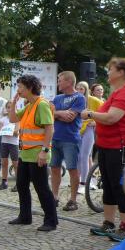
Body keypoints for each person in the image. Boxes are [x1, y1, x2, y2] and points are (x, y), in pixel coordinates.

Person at [81, 58, 125, 242]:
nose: (108, 72)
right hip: (108, 145)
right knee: (108, 184)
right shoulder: (117, 92)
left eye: (110, 69)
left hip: (120, 146)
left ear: (121, 72)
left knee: (119, 186)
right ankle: (108, 223)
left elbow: (112, 118)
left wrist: (90, 114)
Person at [7, 74, 58, 231]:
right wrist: (14, 103)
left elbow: (49, 129)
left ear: (29, 88)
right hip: (26, 153)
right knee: (21, 185)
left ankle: (51, 221)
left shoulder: (41, 104)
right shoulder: (30, 105)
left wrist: (44, 151)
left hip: (38, 154)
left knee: (41, 188)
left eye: (20, 87)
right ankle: (25, 216)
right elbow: (13, 119)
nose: (18, 89)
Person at [50, 71, 85, 211]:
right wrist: (60, 113)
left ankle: (73, 200)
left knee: (72, 169)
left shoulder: (79, 97)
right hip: (55, 137)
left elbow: (70, 117)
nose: (58, 83)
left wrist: (56, 114)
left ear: (69, 82)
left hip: (71, 139)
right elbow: (49, 114)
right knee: (54, 168)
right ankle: (54, 197)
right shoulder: (57, 97)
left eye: (60, 80)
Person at [76, 80, 103, 193]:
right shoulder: (74, 99)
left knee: (84, 156)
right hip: (77, 130)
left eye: (81, 89)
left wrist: (96, 122)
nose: (79, 91)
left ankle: (83, 183)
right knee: (79, 157)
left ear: (86, 90)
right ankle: (81, 181)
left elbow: (105, 113)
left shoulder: (94, 100)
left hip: (88, 129)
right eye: (77, 88)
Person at [0, 101, 19, 191]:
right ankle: (4, 182)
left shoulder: (17, 119)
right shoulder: (3, 119)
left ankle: (18, 184)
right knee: (4, 163)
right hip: (4, 143)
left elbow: (16, 133)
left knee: (15, 164)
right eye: (9, 107)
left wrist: (6, 131)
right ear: (6, 108)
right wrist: (8, 131)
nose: (10, 109)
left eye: (12, 107)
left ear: (15, 108)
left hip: (14, 144)